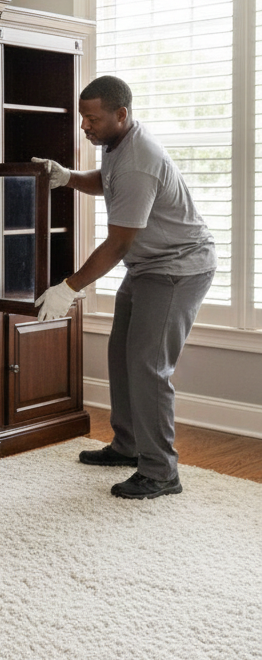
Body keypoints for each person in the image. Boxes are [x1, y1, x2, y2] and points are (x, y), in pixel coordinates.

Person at [33, 75, 216, 501]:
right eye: (83, 118)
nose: (85, 127)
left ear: (121, 114)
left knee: (149, 366)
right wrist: (68, 177)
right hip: (148, 265)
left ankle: (160, 471)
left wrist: (69, 288)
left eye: (92, 119)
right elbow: (106, 180)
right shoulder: (118, 147)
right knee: (122, 354)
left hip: (177, 269)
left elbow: (118, 243)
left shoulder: (137, 158)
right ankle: (128, 445)